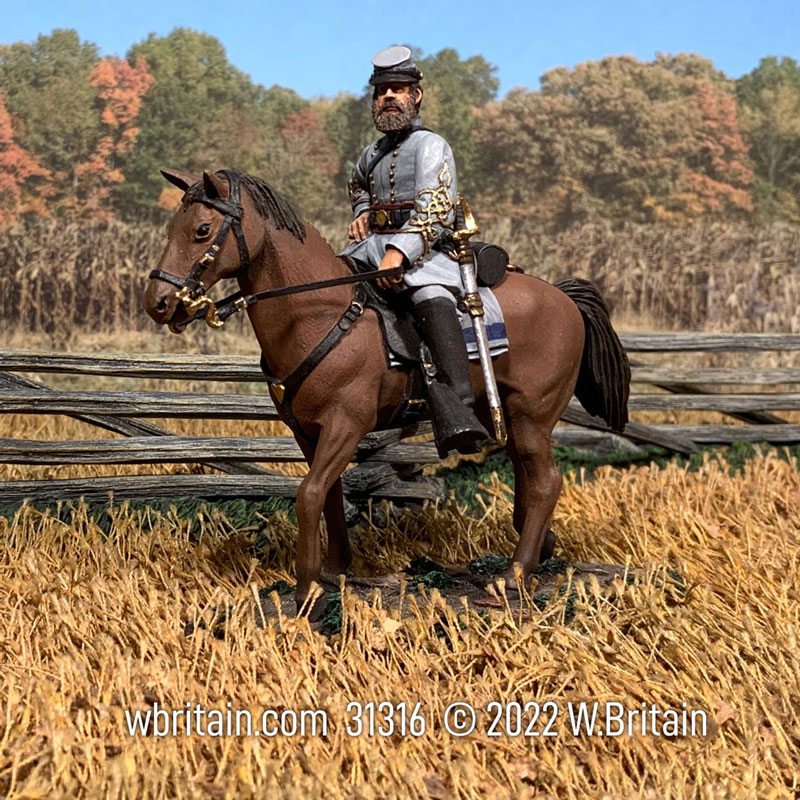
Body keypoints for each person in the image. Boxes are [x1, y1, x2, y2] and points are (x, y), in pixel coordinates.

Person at [340, 46, 490, 455]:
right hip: (372, 248)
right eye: (381, 91)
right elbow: (357, 187)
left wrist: (400, 252)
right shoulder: (369, 154)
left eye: (397, 90)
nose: (388, 97)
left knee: (429, 293)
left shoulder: (431, 146)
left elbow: (435, 208)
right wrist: (364, 212)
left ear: (415, 96)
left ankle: (458, 407)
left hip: (426, 252)